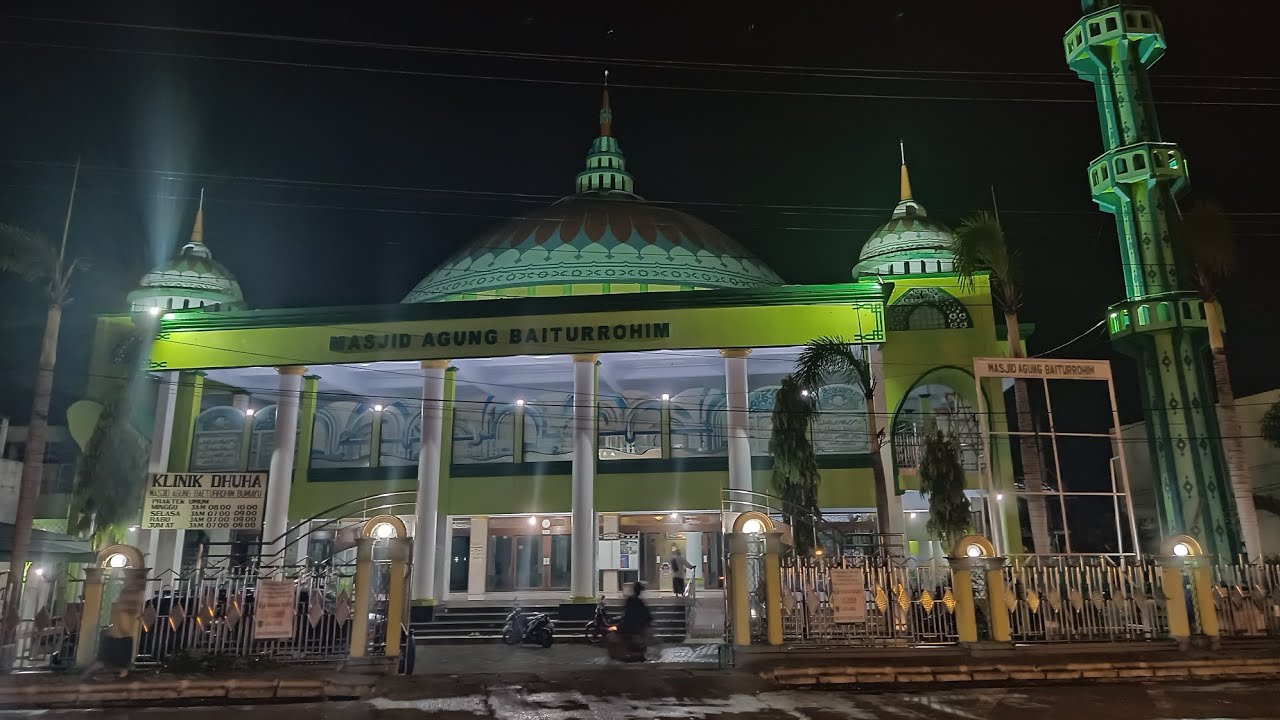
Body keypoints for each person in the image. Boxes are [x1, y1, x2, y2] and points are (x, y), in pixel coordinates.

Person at [612, 581, 652, 662]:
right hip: (635, 627)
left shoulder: (630, 600)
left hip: (627, 625)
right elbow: (646, 614)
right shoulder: (639, 602)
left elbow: (625, 611)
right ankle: (638, 654)